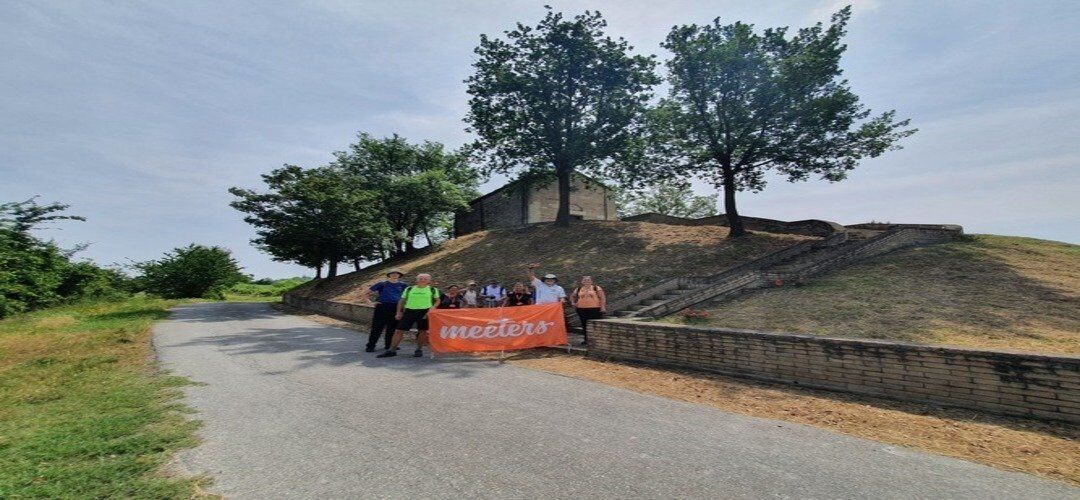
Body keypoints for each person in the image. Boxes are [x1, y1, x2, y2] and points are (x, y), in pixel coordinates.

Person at [377, 273, 440, 358]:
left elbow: (437, 300)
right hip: (409, 311)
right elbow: (401, 301)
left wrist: (433, 308)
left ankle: (419, 350)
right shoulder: (409, 289)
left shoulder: (433, 289)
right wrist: (398, 312)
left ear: (429, 281)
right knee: (399, 330)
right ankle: (392, 350)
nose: (423, 280)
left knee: (422, 331)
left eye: (425, 279)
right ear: (417, 280)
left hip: (424, 312)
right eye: (421, 278)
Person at [365, 269, 407, 353]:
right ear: (389, 275)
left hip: (396, 307)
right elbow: (366, 293)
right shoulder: (382, 284)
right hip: (382, 307)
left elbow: (405, 297)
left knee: (392, 328)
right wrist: (370, 302)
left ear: (399, 275)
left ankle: (389, 345)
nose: (394, 275)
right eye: (392, 273)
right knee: (377, 327)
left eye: (397, 273)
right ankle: (371, 346)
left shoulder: (403, 285)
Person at [571, 275, 606, 345]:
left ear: (591, 281)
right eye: (584, 280)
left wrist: (602, 307)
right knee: (584, 325)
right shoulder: (578, 289)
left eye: (588, 280)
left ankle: (598, 340)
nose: (586, 281)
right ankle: (587, 340)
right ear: (582, 282)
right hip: (581, 310)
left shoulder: (596, 288)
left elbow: (602, 298)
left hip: (595, 309)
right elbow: (572, 296)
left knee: (595, 325)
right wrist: (573, 303)